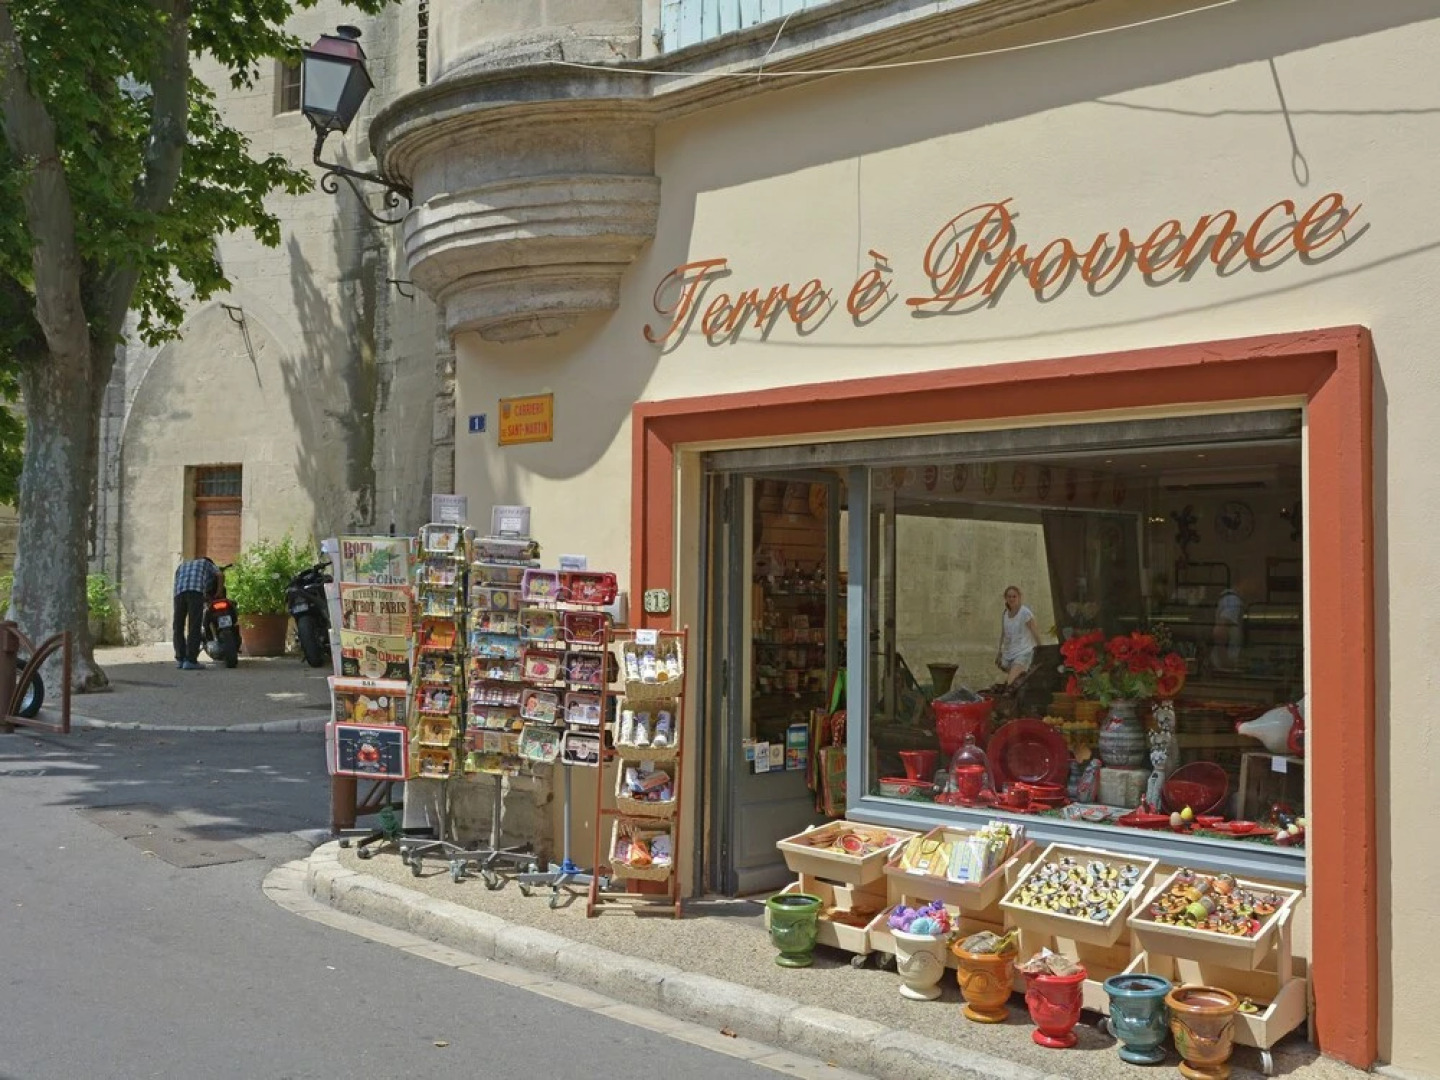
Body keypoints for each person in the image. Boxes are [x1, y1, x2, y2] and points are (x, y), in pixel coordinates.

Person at [173, 556, 218, 670]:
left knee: (178, 626)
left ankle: (180, 659)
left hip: (179, 594)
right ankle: (190, 661)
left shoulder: (182, 566)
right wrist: (218, 592)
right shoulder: (206, 563)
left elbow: (176, 580)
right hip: (195, 593)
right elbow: (220, 575)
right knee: (194, 626)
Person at [995, 585, 1041, 685]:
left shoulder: (1025, 613)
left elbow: (1035, 632)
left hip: (1024, 652)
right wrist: (1000, 651)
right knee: (1017, 683)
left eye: (1014, 596)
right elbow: (1003, 634)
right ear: (1005, 598)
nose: (1011, 599)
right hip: (1009, 653)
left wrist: (1040, 650)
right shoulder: (1005, 614)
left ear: (1019, 597)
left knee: (1011, 683)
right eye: (1009, 596)